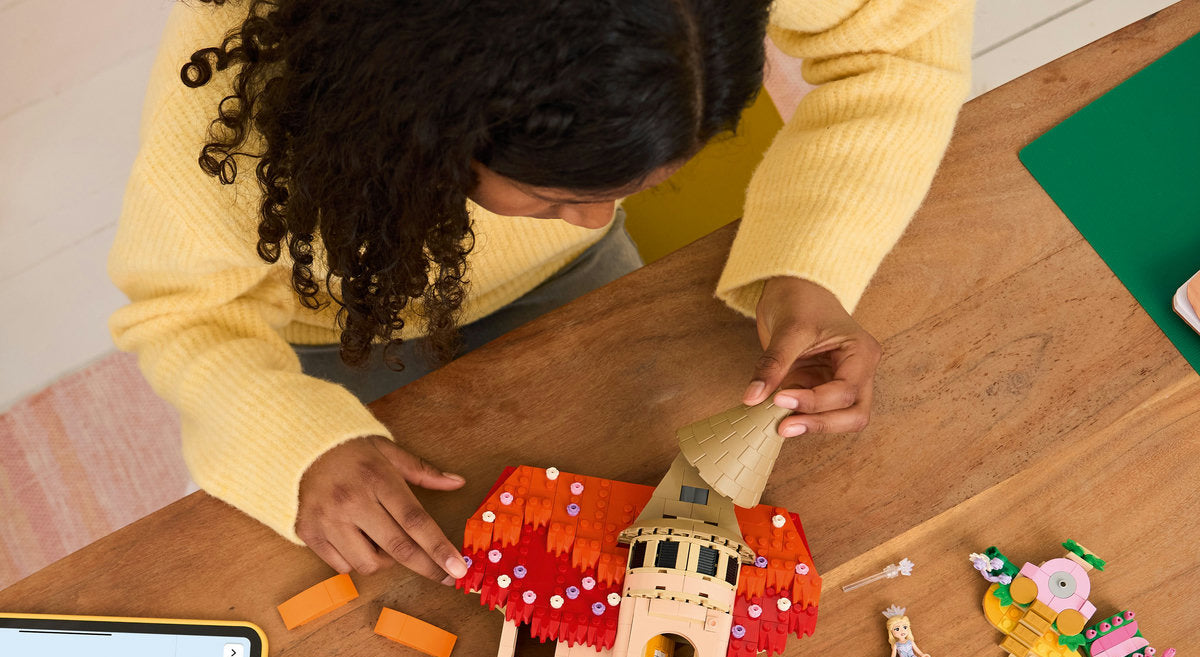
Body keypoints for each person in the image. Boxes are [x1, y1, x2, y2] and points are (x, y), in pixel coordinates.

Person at [109, 0, 973, 583]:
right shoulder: (239, 93)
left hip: (561, 287)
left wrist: (809, 264)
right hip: (330, 336)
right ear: (425, 118)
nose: (598, 220)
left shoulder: (583, 212)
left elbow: (899, 46)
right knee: (383, 555)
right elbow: (186, 316)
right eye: (554, 197)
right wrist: (297, 449)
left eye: (638, 186)